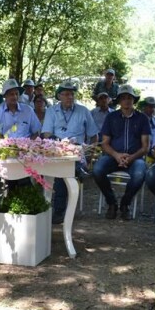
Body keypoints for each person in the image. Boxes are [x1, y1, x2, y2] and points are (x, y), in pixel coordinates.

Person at [0, 79, 42, 197]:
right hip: (6, 151)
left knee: (22, 173)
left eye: (16, 93)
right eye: (11, 94)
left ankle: (22, 201)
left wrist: (30, 145)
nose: (14, 96)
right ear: (5, 96)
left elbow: (36, 132)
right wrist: (6, 148)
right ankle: (18, 200)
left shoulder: (28, 110)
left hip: (26, 152)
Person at [41, 80, 98, 224]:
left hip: (78, 150)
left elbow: (94, 135)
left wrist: (90, 154)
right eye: (66, 94)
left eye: (71, 94)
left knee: (64, 168)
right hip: (56, 149)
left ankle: (59, 212)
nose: (69, 97)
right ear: (59, 96)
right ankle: (79, 170)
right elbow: (46, 134)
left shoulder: (83, 111)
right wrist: (62, 143)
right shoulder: (51, 111)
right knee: (63, 168)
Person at [93, 84, 151, 221]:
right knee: (97, 170)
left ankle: (125, 203)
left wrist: (131, 158)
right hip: (113, 156)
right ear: (119, 100)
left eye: (129, 97)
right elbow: (105, 143)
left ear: (133, 100)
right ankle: (111, 202)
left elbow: (145, 147)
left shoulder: (142, 118)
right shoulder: (111, 117)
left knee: (139, 174)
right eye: (123, 98)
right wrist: (117, 155)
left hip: (135, 157)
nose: (126, 100)